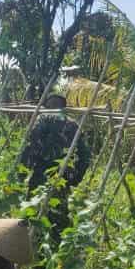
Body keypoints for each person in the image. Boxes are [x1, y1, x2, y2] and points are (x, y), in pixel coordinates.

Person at [19, 93, 91, 235]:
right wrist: (76, 178)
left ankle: (31, 240)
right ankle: (58, 241)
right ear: (64, 107)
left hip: (41, 171)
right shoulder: (74, 124)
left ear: (46, 106)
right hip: (64, 174)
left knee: (33, 207)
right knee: (59, 210)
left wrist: (23, 171)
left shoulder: (43, 118)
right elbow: (85, 155)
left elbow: (31, 145)